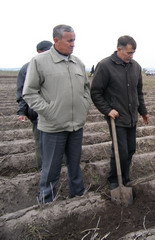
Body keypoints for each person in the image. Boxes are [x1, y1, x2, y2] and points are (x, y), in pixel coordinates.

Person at [23, 24, 91, 204]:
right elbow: (29, 92)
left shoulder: (78, 62)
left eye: (74, 40)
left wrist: (84, 106)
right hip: (52, 127)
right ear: (56, 40)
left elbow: (86, 89)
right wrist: (49, 112)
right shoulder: (40, 62)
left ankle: (78, 197)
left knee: (75, 165)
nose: (73, 44)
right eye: (70, 40)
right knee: (51, 168)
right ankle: (47, 201)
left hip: (76, 125)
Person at [90, 35, 150, 190]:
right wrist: (108, 110)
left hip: (132, 116)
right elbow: (96, 92)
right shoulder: (105, 66)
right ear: (119, 49)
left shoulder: (135, 66)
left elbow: (139, 92)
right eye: (128, 53)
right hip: (116, 117)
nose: (131, 56)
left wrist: (143, 111)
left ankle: (125, 177)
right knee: (120, 150)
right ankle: (114, 180)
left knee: (131, 149)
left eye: (133, 53)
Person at [16, 40, 53, 170]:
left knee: (58, 142)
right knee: (41, 142)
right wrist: (21, 112)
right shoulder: (27, 68)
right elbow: (23, 92)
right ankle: (43, 169)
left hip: (55, 112)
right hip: (37, 113)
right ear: (39, 52)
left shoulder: (54, 65)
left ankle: (60, 167)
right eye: (47, 50)